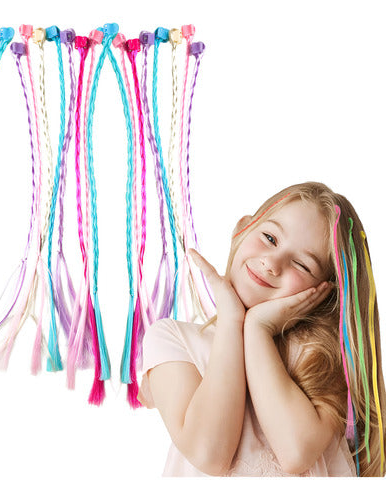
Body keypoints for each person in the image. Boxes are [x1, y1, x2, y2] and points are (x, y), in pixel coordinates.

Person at [137, 181, 386, 477]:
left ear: (325, 292)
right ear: (242, 229)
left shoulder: (320, 356)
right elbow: (209, 455)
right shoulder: (173, 339)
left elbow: (296, 453)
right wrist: (231, 321)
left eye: (302, 265)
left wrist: (257, 329)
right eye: (269, 238)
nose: (272, 263)